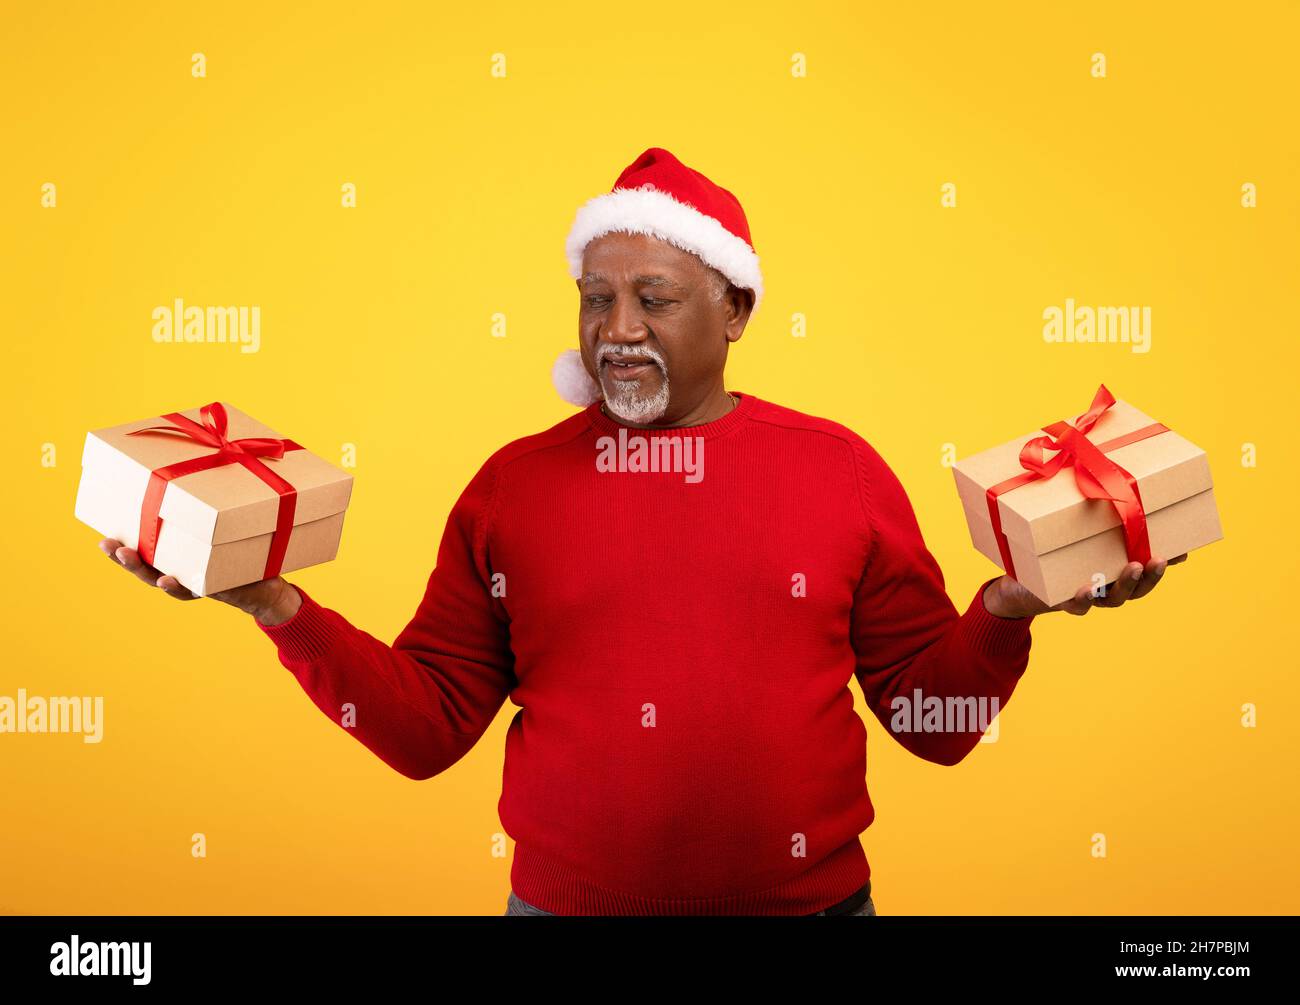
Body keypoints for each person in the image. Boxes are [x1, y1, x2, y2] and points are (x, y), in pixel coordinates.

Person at [98, 147, 1185, 916]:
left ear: (736, 310)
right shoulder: (510, 489)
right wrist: (274, 606)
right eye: (594, 297)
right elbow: (427, 731)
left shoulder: (840, 470)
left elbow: (933, 721)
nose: (617, 330)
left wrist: (1007, 607)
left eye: (655, 298)